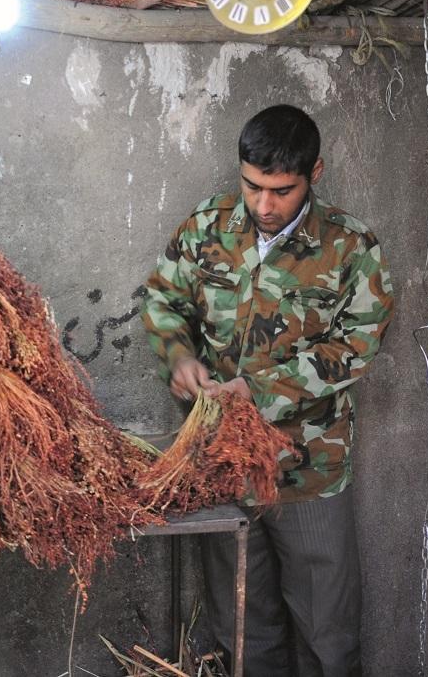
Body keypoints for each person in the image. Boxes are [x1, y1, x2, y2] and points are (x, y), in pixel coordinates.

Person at [141, 104, 395, 676]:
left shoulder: (350, 248)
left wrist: (255, 390)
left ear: (315, 173)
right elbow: (161, 299)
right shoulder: (207, 226)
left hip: (307, 469)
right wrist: (178, 355)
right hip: (222, 468)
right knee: (243, 634)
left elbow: (356, 345)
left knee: (326, 637)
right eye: (252, 186)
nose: (262, 205)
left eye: (280, 191)